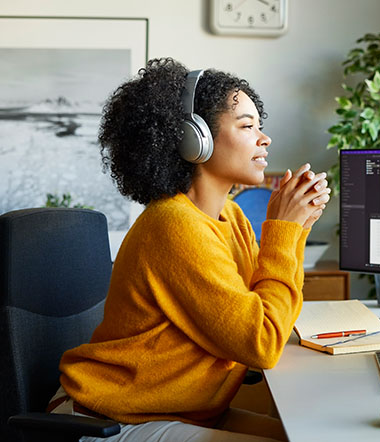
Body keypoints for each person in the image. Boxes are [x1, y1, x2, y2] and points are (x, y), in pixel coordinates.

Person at [51, 58, 331, 442]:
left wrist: (297, 229)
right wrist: (282, 230)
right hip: (109, 418)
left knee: (308, 435)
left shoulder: (229, 216)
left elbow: (264, 309)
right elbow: (261, 342)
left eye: (260, 127)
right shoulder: (173, 225)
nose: (264, 139)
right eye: (247, 126)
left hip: (183, 411)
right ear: (193, 139)